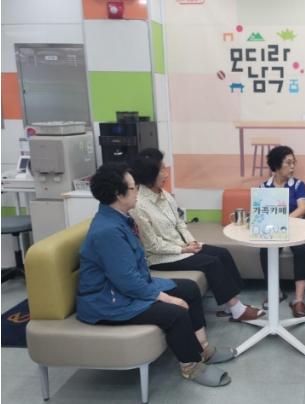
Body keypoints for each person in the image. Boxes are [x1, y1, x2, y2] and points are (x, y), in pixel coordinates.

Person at [76, 163, 233, 387]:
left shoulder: (119, 218)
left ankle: (202, 348)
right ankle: (190, 366)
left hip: (125, 288)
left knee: (189, 289)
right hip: (108, 302)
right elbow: (127, 281)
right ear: (118, 194)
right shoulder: (108, 231)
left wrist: (162, 292)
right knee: (176, 312)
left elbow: (130, 275)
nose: (137, 193)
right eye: (133, 188)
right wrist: (166, 298)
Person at [129, 148, 264, 322]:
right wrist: (183, 249)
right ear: (150, 174)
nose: (166, 174)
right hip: (162, 257)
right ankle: (237, 309)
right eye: (162, 170)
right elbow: (152, 246)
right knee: (211, 263)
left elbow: (180, 223)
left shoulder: (164, 195)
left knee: (222, 253)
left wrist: (192, 243)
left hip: (183, 247)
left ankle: (230, 305)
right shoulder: (139, 206)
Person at [258, 146, 305, 318]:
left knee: (302, 249)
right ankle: (276, 293)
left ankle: (298, 300)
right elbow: (262, 211)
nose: (292, 166)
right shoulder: (264, 186)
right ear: (276, 165)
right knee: (265, 250)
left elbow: (302, 208)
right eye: (288, 163)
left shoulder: (298, 184)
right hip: (274, 229)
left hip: (296, 227)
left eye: (293, 162)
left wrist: (283, 220)